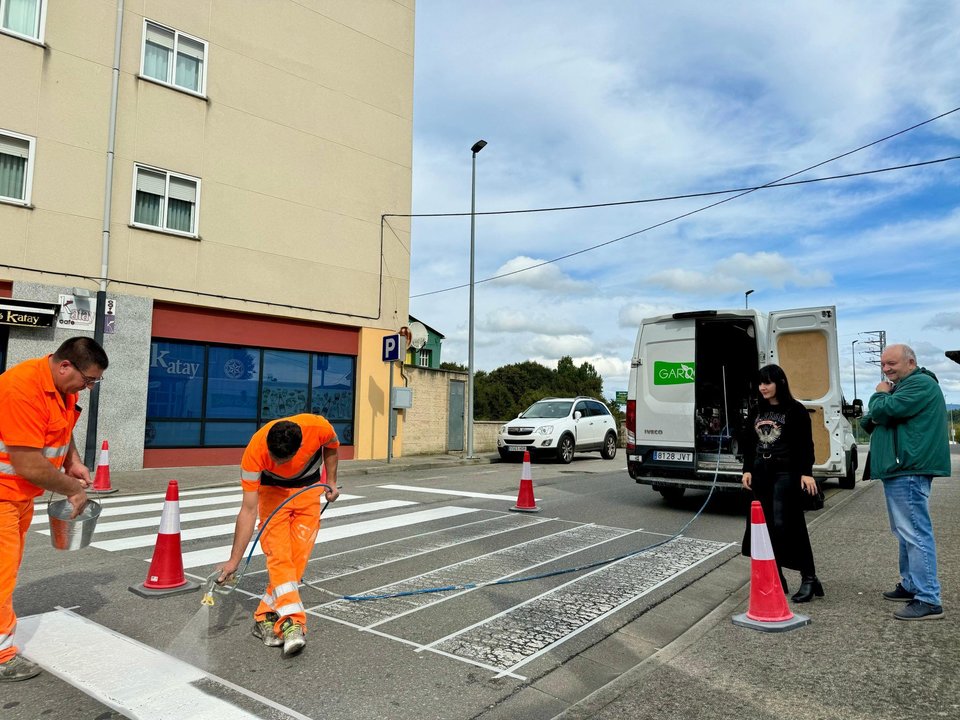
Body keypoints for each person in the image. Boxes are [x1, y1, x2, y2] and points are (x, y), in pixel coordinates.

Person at [0, 337, 108, 682]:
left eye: (94, 383)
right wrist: (72, 489)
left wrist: (72, 461)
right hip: (3, 496)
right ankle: (2, 655)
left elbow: (63, 428)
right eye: (88, 380)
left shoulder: (64, 389)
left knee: (8, 570)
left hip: (19, 498)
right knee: (1, 578)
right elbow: (29, 464)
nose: (88, 388)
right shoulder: (21, 389)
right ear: (65, 366)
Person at [218, 414, 340, 658]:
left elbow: (333, 446)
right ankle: (292, 623)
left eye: (283, 460)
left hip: (308, 490)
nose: (277, 462)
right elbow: (248, 509)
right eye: (274, 458)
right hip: (271, 494)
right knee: (279, 556)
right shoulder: (254, 452)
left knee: (297, 559)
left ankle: (263, 617)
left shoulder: (318, 427)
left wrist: (333, 482)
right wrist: (234, 561)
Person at [861, 344, 950, 621]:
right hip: (900, 469)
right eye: (883, 365)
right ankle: (912, 585)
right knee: (904, 532)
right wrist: (880, 406)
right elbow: (869, 420)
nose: (886, 369)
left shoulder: (920, 383)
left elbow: (883, 412)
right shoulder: (901, 388)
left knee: (914, 533)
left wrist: (879, 396)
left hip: (908, 468)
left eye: (891, 364)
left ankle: (928, 599)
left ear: (910, 362)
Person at [740, 364, 823, 603]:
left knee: (788, 524)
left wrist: (806, 472)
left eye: (767, 382)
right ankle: (775, 575)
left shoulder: (795, 410)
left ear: (780, 383)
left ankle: (809, 577)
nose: (763, 387)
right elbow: (748, 441)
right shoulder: (757, 410)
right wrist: (746, 468)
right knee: (764, 527)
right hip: (761, 473)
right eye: (760, 383)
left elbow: (805, 444)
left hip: (786, 473)